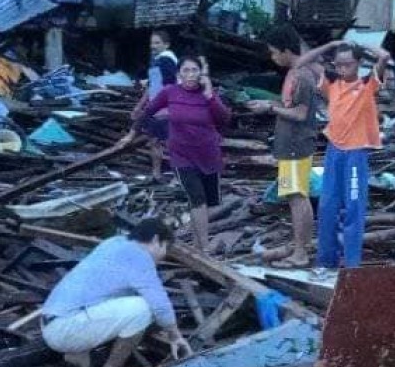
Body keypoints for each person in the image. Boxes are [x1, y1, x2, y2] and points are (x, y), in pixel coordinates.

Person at [41, 218, 193, 367]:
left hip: (51, 322)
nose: (164, 255)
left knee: (115, 300)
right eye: (166, 247)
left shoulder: (113, 243)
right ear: (156, 240)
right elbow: (160, 304)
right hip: (66, 329)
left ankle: (77, 355)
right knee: (143, 308)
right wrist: (175, 336)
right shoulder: (140, 257)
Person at [295, 40, 389, 270]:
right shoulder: (332, 84)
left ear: (357, 64)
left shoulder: (368, 84)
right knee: (327, 207)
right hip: (334, 150)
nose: (342, 69)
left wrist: (363, 48)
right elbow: (302, 62)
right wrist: (331, 44)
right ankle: (326, 260)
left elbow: (384, 56)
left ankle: (351, 264)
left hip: (355, 153)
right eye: (338, 65)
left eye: (347, 64)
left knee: (353, 209)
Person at [134, 57, 230, 252]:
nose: (190, 75)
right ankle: (205, 247)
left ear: (201, 73)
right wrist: (131, 134)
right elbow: (148, 111)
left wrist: (210, 94)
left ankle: (197, 243)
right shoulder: (170, 92)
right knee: (197, 199)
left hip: (208, 154)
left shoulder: (209, 95)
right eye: (185, 71)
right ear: (179, 74)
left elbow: (224, 118)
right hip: (181, 155)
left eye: (194, 70)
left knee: (209, 203)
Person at [246, 25, 318, 268]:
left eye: (274, 52)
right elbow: (289, 104)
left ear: (287, 50)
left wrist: (269, 108)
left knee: (298, 197)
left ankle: (301, 253)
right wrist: (271, 102)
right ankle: (299, 248)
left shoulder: (302, 77)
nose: (273, 57)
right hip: (289, 146)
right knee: (293, 196)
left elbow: (299, 113)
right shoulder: (294, 73)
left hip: (297, 145)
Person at [132, 30, 178, 182]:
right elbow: (152, 87)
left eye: (158, 43)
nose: (154, 46)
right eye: (152, 42)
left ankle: (178, 176)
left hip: (166, 108)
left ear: (167, 45)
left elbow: (170, 86)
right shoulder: (156, 61)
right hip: (155, 108)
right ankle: (156, 174)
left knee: (170, 142)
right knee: (155, 141)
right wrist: (140, 105)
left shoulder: (167, 60)